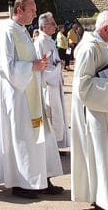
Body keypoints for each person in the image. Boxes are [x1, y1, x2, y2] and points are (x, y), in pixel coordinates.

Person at [0, 0, 63, 199]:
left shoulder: (22, 31)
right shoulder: (7, 32)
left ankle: (43, 178)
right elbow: (6, 67)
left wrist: (39, 64)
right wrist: (32, 66)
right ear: (19, 10)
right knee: (23, 138)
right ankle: (21, 183)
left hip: (31, 93)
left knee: (43, 137)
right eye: (32, 10)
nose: (35, 13)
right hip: (18, 96)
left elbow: (27, 61)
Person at [71, 10, 108, 209]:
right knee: (101, 154)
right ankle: (103, 200)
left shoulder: (102, 45)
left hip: (106, 107)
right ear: (105, 29)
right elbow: (82, 86)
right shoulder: (89, 48)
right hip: (96, 111)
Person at [34, 12, 69, 149]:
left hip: (54, 83)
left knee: (58, 114)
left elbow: (52, 61)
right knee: (51, 114)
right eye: (52, 23)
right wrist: (57, 67)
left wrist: (57, 64)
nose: (55, 26)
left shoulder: (49, 40)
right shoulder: (40, 43)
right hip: (47, 85)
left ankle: (57, 143)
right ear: (43, 27)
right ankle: (51, 146)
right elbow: (42, 66)